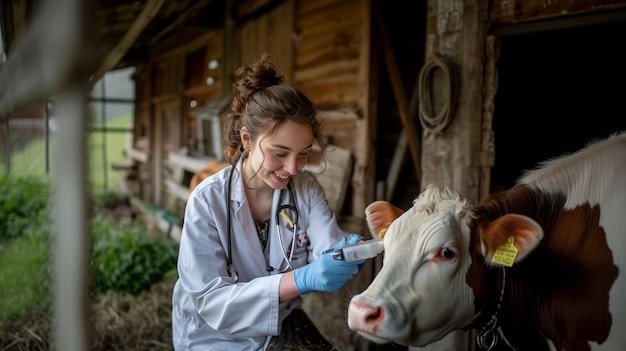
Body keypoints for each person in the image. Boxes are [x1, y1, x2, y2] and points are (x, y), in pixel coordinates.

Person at [171, 54, 366, 351]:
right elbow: (212, 302)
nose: (292, 168)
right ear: (247, 140)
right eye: (280, 152)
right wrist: (302, 280)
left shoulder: (305, 189)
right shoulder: (207, 201)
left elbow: (326, 245)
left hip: (279, 322)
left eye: (303, 153)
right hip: (213, 337)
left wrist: (341, 255)